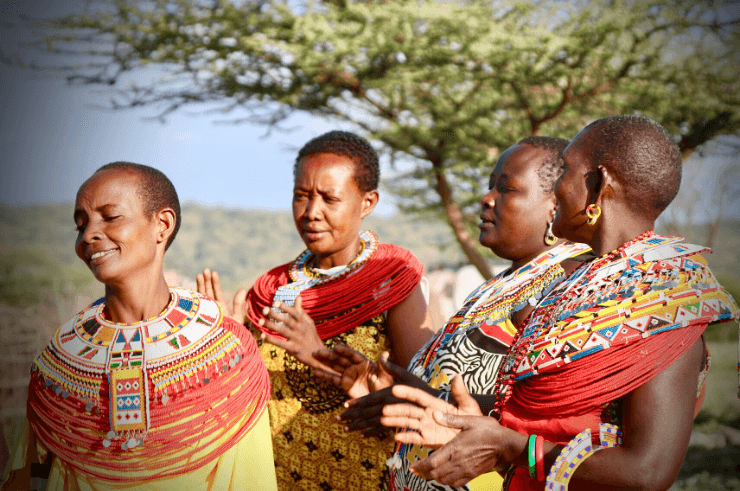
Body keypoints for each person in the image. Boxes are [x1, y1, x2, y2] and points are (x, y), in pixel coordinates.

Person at [381, 116, 739, 490]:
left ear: (599, 185)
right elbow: (541, 437)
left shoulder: (663, 304)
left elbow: (647, 472)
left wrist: (512, 446)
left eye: (566, 171)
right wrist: (471, 427)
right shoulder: (573, 289)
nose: (557, 188)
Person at [314, 136, 592, 491]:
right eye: (491, 184)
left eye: (506, 189)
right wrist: (401, 390)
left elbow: (556, 419)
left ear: (555, 204)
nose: (486, 198)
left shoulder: (567, 286)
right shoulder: (503, 283)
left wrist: (433, 402)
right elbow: (455, 394)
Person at [1, 162, 275, 491]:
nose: (88, 234)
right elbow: (26, 478)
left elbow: (249, 479)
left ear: (162, 224)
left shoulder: (227, 356)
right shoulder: (58, 363)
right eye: (80, 224)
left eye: (110, 216)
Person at [197, 130, 436, 490]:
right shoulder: (269, 291)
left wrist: (318, 354)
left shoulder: (391, 282)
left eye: (329, 198)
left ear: (367, 202)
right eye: (301, 197)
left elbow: (424, 401)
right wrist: (230, 346)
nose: (311, 213)